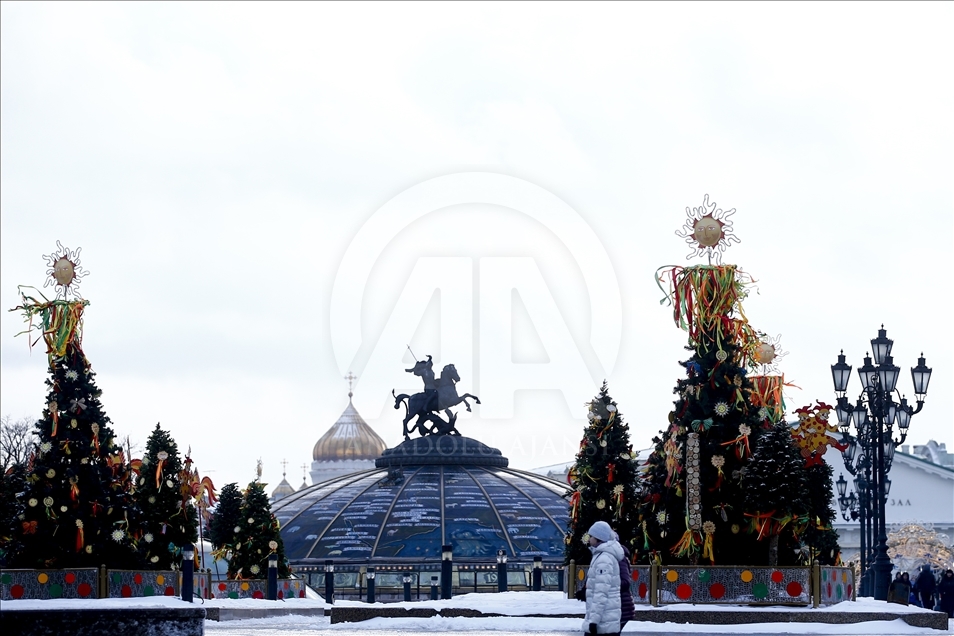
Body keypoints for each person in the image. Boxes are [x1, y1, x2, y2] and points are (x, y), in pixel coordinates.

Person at [583, 521, 623, 636]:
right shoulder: (601, 555)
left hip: (603, 621)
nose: (589, 538)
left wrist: (594, 621)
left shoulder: (604, 559)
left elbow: (601, 592)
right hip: (606, 618)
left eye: (591, 536)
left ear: (598, 537)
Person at [614, 531, 635, 629]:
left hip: (621, 606)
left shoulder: (619, 558)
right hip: (617, 606)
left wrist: (607, 585)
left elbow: (625, 582)